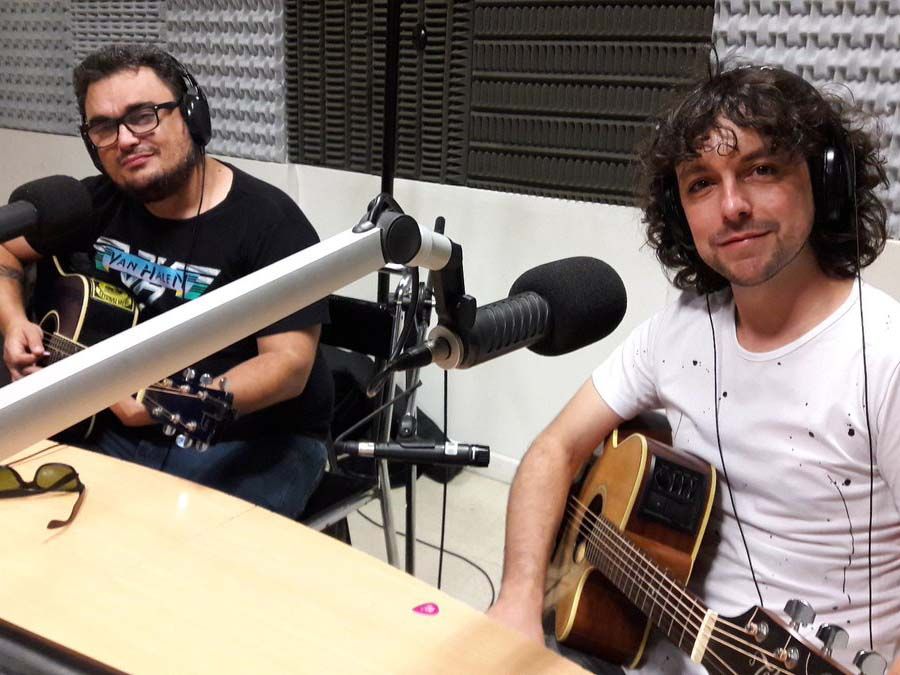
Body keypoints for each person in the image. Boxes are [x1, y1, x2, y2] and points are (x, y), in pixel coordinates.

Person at [487, 64, 900, 673]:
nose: (731, 206)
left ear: (825, 179)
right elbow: (555, 449)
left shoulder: (884, 357)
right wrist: (519, 598)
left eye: (761, 169)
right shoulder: (677, 330)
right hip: (652, 643)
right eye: (702, 183)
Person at [0, 44, 333, 520]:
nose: (125, 139)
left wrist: (164, 405)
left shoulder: (270, 222)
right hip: (111, 421)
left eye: (143, 116)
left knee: (179, 556)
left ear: (191, 115)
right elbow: (6, 250)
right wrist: (15, 322)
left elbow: (287, 366)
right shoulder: (92, 204)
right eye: (104, 127)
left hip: (249, 436)